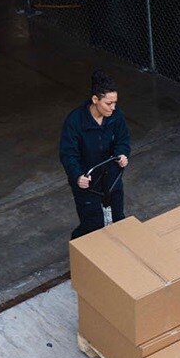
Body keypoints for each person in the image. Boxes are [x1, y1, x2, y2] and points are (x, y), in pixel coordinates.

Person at [59, 70, 130, 239]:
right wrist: (77, 176)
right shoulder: (75, 121)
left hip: (111, 178)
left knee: (118, 218)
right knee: (92, 224)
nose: (113, 107)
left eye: (115, 102)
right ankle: (81, 252)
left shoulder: (116, 116)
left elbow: (123, 139)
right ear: (95, 100)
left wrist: (122, 154)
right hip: (88, 182)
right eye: (108, 103)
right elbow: (68, 153)